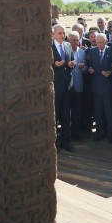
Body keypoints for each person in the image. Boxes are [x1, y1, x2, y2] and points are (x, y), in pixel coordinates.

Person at [51, 24, 75, 152]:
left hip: (67, 86)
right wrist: (54, 64)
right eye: (59, 33)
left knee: (66, 115)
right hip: (55, 87)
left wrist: (72, 64)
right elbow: (45, 64)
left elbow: (72, 61)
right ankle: (54, 143)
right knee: (54, 116)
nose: (62, 35)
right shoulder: (48, 47)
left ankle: (66, 141)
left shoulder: (68, 45)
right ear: (53, 34)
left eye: (64, 33)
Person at [86, 32, 112, 140]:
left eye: (101, 43)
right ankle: (100, 133)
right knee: (98, 112)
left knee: (109, 112)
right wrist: (89, 69)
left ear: (106, 41)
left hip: (108, 87)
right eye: (97, 43)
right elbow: (89, 64)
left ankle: (111, 134)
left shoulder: (111, 51)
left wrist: (110, 72)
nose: (99, 45)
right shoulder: (92, 51)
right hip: (96, 87)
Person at [67, 31, 87, 141]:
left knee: (77, 111)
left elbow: (86, 69)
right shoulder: (65, 51)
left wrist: (83, 67)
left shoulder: (82, 52)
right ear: (68, 40)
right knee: (67, 112)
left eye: (77, 40)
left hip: (79, 86)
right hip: (68, 87)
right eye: (73, 40)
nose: (76, 42)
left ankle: (76, 131)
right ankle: (67, 133)